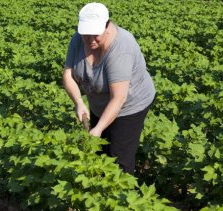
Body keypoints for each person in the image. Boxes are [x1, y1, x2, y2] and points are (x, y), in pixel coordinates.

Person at [62, 2, 155, 174]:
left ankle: (123, 193)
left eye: (95, 34)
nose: (90, 39)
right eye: (86, 34)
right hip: (99, 101)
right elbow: (68, 75)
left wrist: (98, 128)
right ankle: (99, 190)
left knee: (118, 156)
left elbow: (119, 98)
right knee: (98, 151)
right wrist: (78, 102)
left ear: (107, 26)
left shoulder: (121, 48)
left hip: (129, 106)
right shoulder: (78, 39)